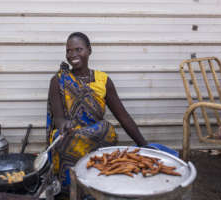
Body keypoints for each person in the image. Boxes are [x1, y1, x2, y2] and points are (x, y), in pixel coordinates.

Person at [46, 32, 148, 198]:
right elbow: (58, 118)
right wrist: (64, 124)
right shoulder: (58, 80)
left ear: (89, 50)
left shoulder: (103, 80)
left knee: (107, 128)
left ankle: (100, 185)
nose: (73, 55)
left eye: (78, 49)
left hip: (97, 136)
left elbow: (122, 116)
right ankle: (72, 190)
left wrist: (143, 144)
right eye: (69, 51)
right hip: (71, 136)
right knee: (65, 138)